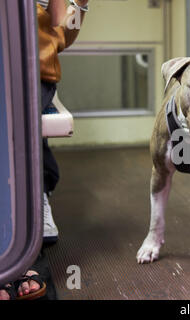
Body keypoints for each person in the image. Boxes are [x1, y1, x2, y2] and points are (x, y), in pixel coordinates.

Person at [0, 0, 89, 300]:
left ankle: (21, 253)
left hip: (30, 70)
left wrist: (81, 5)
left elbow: (60, 31)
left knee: (13, 138)